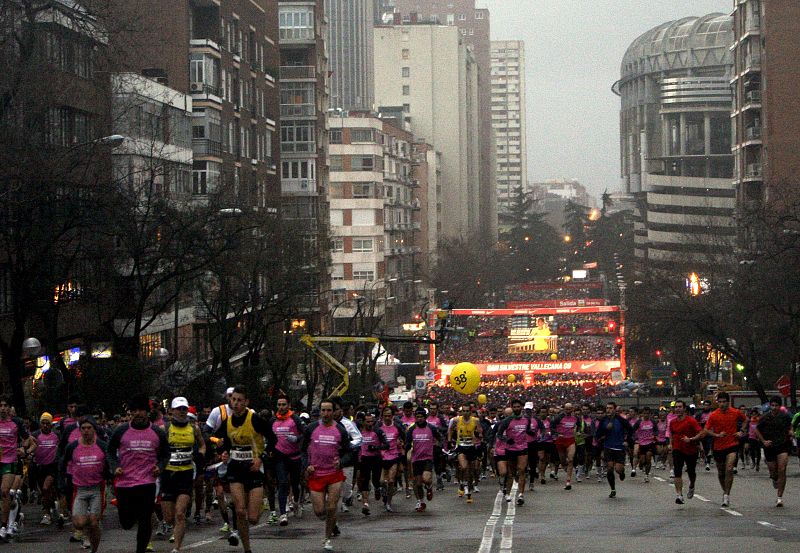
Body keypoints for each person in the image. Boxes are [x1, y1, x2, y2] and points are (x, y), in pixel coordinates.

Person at [107, 393, 169, 553]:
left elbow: (165, 454)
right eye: (134, 410)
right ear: (131, 413)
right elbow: (110, 451)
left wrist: (160, 467)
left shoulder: (157, 432)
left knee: (145, 519)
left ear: (147, 412)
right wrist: (115, 467)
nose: (138, 414)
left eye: (141, 410)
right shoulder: (121, 431)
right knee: (126, 523)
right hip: (125, 483)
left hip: (147, 482)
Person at [213, 386, 271, 553]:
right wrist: (221, 452)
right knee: (239, 511)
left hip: (253, 469)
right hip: (236, 469)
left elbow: (273, 440)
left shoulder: (255, 419)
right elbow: (219, 440)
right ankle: (247, 549)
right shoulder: (228, 422)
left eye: (239, 400)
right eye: (233, 399)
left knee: (252, 518)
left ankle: (260, 504)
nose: (236, 403)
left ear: (246, 402)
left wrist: (261, 458)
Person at [302, 400, 354, 552]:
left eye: (328, 410)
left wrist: (342, 461)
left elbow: (349, 451)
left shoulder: (340, 430)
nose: (325, 413)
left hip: (334, 474)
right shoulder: (311, 428)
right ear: (320, 412)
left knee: (331, 507)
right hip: (316, 473)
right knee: (319, 511)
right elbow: (303, 450)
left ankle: (327, 539)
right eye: (323, 410)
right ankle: (332, 522)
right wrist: (307, 465)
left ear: (333, 412)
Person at [161, 397, 206, 553]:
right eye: (178, 409)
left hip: (185, 474)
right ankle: (173, 529)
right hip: (168, 475)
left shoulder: (194, 428)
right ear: (171, 411)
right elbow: (156, 449)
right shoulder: (164, 429)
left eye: (184, 409)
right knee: (168, 517)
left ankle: (177, 548)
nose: (182, 412)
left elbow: (202, 445)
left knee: (180, 514)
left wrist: (200, 455)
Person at [60, 417, 110, 553]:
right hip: (80, 489)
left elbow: (111, 461)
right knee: (79, 523)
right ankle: (91, 525)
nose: (86, 431)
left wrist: (111, 475)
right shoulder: (73, 447)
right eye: (83, 428)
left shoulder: (102, 445)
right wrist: (61, 482)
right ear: (80, 430)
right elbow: (62, 463)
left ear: (94, 429)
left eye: (89, 428)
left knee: (94, 522)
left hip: (97, 488)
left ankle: (94, 549)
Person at [696, 391, 746, 507]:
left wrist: (741, 431)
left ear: (728, 402)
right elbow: (706, 429)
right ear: (717, 402)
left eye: (724, 402)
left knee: (729, 468)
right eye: (720, 402)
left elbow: (745, 420)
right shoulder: (713, 415)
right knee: (721, 472)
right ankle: (725, 490)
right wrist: (716, 435)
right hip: (718, 446)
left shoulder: (735, 412)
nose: (722, 404)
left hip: (732, 444)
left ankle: (726, 495)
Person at [267, 395, 305, 525]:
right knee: (282, 483)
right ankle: (283, 514)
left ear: (288, 405)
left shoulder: (295, 419)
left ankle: (296, 502)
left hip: (294, 456)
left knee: (295, 483)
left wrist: (297, 439)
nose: (281, 407)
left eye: (283, 405)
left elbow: (304, 434)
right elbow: (269, 438)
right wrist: (270, 450)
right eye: (279, 405)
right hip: (280, 457)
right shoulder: (272, 421)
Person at [0, 395, 33, 541]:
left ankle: (4, 525)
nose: (3, 408)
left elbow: (28, 439)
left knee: (5, 491)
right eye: (0, 405)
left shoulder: (16, 423)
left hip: (10, 461)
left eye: (5, 405)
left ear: (9, 408)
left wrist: (24, 450)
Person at [755, 396, 793, 507]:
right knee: (774, 471)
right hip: (769, 446)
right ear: (770, 406)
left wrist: (791, 432)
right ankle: (774, 477)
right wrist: (763, 441)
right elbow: (757, 429)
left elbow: (790, 426)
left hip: (783, 445)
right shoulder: (765, 417)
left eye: (776, 405)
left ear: (780, 406)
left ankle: (779, 497)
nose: (774, 407)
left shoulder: (785, 416)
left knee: (782, 469)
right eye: (772, 405)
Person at [494, 398, 531, 504]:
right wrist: (507, 440)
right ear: (512, 408)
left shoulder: (526, 419)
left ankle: (521, 495)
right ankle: (509, 490)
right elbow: (499, 434)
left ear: (521, 407)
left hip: (523, 448)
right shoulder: (507, 421)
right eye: (514, 407)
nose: (516, 408)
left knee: (522, 470)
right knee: (512, 473)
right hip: (510, 449)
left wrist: (531, 433)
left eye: (518, 407)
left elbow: (527, 430)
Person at [594, 401, 633, 498]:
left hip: (619, 448)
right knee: (610, 468)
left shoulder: (620, 420)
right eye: (607, 408)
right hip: (608, 447)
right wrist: (605, 430)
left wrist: (627, 440)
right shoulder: (603, 421)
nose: (608, 410)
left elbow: (630, 430)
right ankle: (613, 489)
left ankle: (621, 473)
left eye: (611, 408)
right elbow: (597, 435)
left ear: (615, 410)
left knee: (618, 469)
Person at [447, 404, 483, 504]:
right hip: (461, 447)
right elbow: (450, 429)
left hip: (471, 447)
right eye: (464, 411)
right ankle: (464, 485)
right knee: (464, 467)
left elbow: (480, 432)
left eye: (468, 411)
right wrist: (449, 441)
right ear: (461, 412)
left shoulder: (475, 420)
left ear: (470, 412)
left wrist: (478, 435)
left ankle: (466, 487)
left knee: (471, 471)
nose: (466, 413)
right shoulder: (456, 420)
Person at [667, 401, 702, 505]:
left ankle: (692, 485)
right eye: (676, 407)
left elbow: (701, 433)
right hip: (677, 449)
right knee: (677, 471)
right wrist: (670, 444)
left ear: (685, 409)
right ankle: (679, 495)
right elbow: (671, 434)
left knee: (691, 472)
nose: (677, 409)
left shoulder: (691, 421)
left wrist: (691, 439)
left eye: (680, 407)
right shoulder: (672, 422)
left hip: (690, 450)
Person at [405, 408, 439, 512]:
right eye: (417, 417)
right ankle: (420, 501)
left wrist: (438, 446)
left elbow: (440, 437)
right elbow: (407, 443)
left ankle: (429, 487)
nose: (419, 419)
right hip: (416, 459)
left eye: (421, 417)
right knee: (418, 483)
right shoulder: (412, 429)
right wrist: (407, 452)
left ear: (425, 418)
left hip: (427, 458)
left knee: (426, 479)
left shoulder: (431, 428)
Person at [357, 413, 387, 516]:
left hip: (376, 458)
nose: (370, 424)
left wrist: (376, 448)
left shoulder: (378, 431)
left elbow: (386, 445)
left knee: (376, 480)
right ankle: (365, 504)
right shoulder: (359, 432)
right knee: (364, 480)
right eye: (368, 422)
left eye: (371, 422)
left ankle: (379, 489)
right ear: (363, 422)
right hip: (364, 459)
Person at [31, 412, 60, 525]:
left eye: (47, 423)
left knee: (46, 487)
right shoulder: (35, 435)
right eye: (43, 423)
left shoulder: (57, 435)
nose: (45, 426)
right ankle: (51, 505)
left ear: (51, 425)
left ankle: (47, 514)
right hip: (39, 466)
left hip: (52, 466)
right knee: (44, 492)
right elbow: (29, 446)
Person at [377, 406, 405, 512]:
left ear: (392, 416)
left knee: (391, 481)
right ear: (382, 416)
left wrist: (401, 445)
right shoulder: (379, 426)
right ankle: (384, 493)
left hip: (394, 456)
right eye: (385, 416)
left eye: (389, 416)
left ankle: (389, 503)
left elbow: (405, 437)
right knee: (381, 481)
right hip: (382, 457)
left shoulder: (397, 426)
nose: (387, 418)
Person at [552, 403, 579, 491]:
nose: (568, 411)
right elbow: (552, 427)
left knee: (570, 459)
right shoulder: (558, 417)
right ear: (564, 409)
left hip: (570, 440)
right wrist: (557, 434)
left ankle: (568, 481)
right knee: (563, 462)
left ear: (572, 409)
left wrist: (578, 432)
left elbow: (580, 427)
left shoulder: (576, 418)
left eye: (570, 409)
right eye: (567, 409)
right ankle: (566, 470)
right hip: (560, 441)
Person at [632, 407, 657, 483]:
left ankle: (646, 475)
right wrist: (635, 438)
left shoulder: (652, 421)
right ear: (642, 414)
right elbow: (632, 431)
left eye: (647, 413)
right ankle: (640, 464)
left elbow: (656, 430)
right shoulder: (639, 422)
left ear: (650, 414)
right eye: (644, 413)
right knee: (643, 460)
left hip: (650, 443)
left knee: (648, 458)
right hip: (642, 443)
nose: (646, 415)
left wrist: (655, 436)